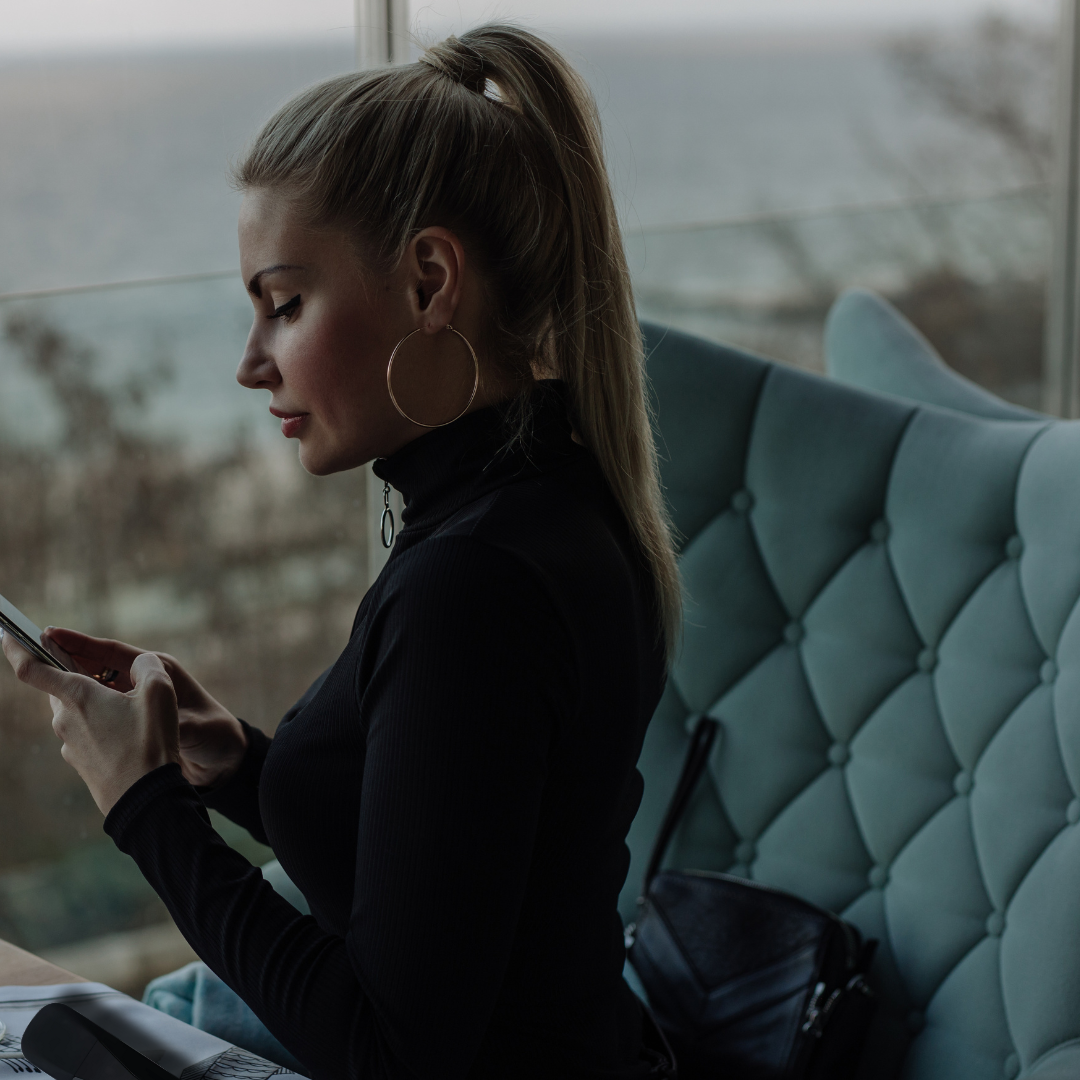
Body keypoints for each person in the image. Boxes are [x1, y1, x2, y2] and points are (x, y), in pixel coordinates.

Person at [2, 25, 681, 1080]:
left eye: (284, 305)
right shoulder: (555, 502)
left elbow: (388, 1050)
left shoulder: (473, 584)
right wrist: (235, 764)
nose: (250, 364)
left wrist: (142, 807)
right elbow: (459, 864)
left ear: (429, 282)